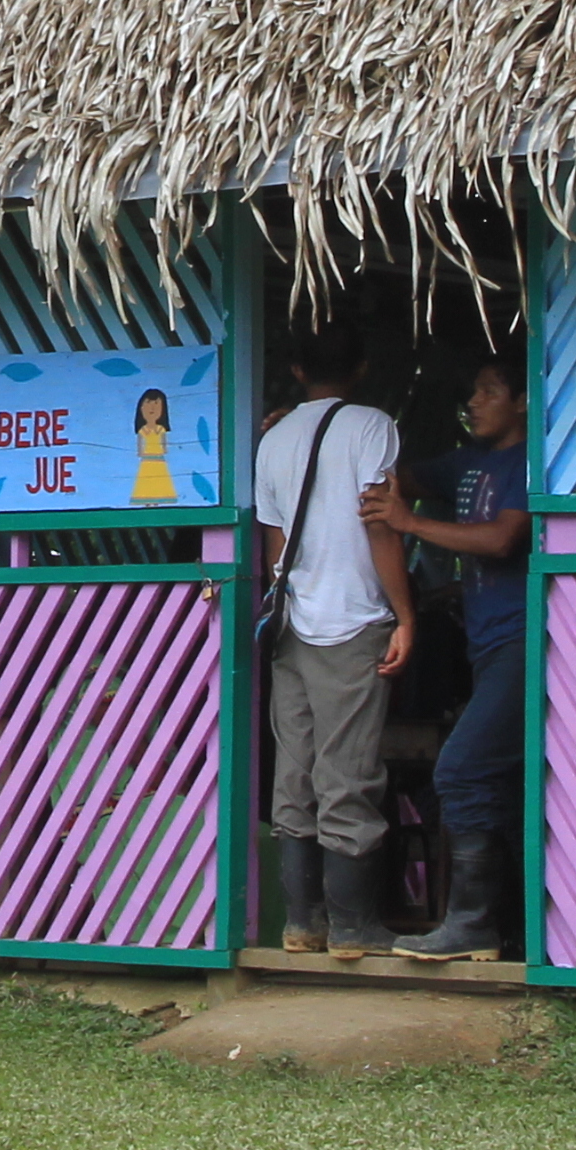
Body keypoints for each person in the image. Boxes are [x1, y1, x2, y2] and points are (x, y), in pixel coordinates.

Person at [365, 359, 532, 961]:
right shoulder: (465, 463)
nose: (474, 401)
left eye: (489, 390)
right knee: (504, 788)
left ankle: (472, 926)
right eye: (472, 390)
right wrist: (321, 436)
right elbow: (393, 476)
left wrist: (409, 523)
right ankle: (513, 929)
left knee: (460, 771)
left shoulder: (527, 462)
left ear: (522, 402)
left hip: (525, 643)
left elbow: (501, 538)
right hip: (486, 648)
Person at [253, 333, 407, 956]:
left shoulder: (273, 438)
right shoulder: (374, 426)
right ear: (363, 366)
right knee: (348, 772)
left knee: (296, 771)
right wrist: (405, 614)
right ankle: (352, 927)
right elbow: (383, 521)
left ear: (294, 368)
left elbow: (273, 542)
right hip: (353, 619)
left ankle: (301, 923)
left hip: (293, 624)